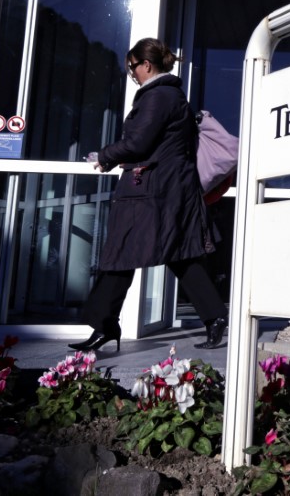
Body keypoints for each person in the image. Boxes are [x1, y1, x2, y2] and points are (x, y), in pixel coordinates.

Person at [69, 38, 228, 352]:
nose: (133, 74)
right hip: (161, 189)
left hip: (153, 192)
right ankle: (211, 318)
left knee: (126, 254)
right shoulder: (168, 95)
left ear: (147, 64)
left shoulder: (158, 97)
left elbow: (139, 143)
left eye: (133, 68)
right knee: (172, 254)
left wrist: (104, 155)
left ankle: (105, 326)